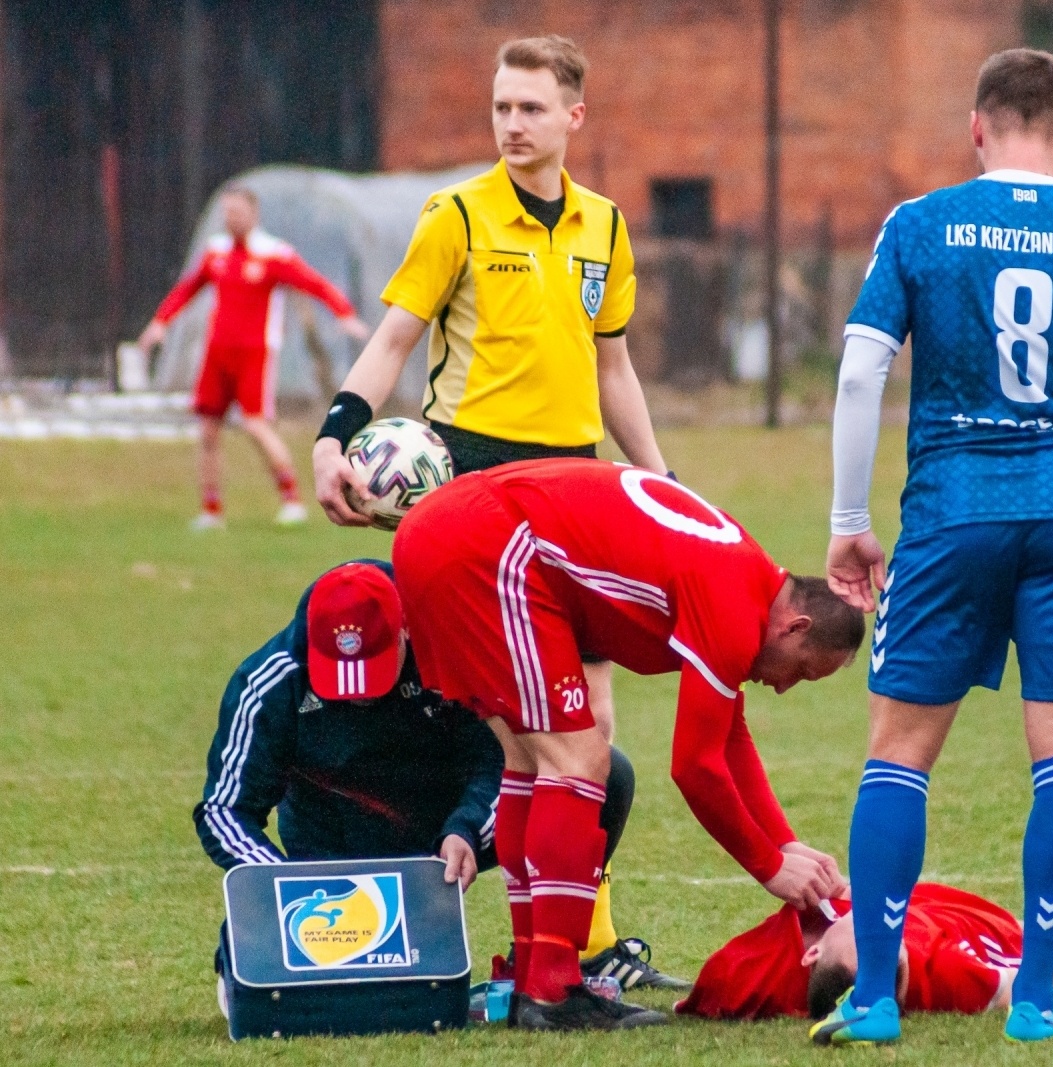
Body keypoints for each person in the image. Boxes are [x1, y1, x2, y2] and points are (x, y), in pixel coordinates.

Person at [818, 48, 1053, 1045]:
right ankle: (1030, 995)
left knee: (898, 754)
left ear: (975, 128)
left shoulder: (920, 224)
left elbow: (859, 377)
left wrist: (849, 522)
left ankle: (875, 997)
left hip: (950, 511)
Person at [309, 34, 673, 989]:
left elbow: (614, 368)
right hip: (472, 490)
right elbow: (393, 340)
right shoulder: (456, 216)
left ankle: (585, 946)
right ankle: (544, 954)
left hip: (578, 489)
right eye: (502, 108)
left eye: (531, 108)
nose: (512, 124)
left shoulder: (604, 225)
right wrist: (331, 435)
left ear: (572, 118)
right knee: (524, 735)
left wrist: (658, 481)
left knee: (592, 725)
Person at [390, 458, 863, 1032]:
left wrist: (786, 844)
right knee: (582, 761)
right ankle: (555, 989)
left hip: (455, 533)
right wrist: (768, 868)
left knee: (526, 760)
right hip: (486, 543)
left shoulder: (748, 578)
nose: (786, 687)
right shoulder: (737, 602)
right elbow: (694, 767)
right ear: (797, 627)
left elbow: (727, 737)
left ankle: (531, 973)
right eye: (803, 672)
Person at [194, 560, 503, 1016]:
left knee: (603, 777)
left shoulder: (455, 652)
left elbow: (504, 762)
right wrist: (279, 882)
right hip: (328, 854)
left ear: (407, 632)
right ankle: (248, 961)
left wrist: (467, 829)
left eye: (375, 668)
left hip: (447, 835)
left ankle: (547, 962)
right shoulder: (270, 681)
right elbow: (223, 809)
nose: (359, 694)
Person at [139, 184, 370, 531]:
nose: (232, 219)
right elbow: (187, 288)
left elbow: (313, 282)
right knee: (207, 432)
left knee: (256, 426)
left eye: (238, 212)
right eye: (227, 213)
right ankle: (211, 510)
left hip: (255, 354)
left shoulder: (272, 254)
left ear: (253, 214)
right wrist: (160, 323)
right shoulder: (215, 252)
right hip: (217, 354)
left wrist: (344, 313)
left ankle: (292, 500)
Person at [676, 876, 1053, 1023]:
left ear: (813, 953)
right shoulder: (933, 974)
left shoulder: (741, 975)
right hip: (1018, 940)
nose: (882, 931)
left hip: (947, 910)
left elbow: (696, 1002)